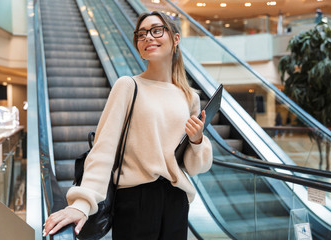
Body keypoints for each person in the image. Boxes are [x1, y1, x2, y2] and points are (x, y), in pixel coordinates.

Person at [43, 11, 213, 239]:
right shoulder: (128, 86)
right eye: (141, 34)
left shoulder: (189, 97)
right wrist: (81, 204)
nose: (148, 38)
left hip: (177, 200)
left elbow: (193, 167)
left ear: (175, 38)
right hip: (135, 201)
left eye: (156, 30)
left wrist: (197, 140)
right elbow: (103, 149)